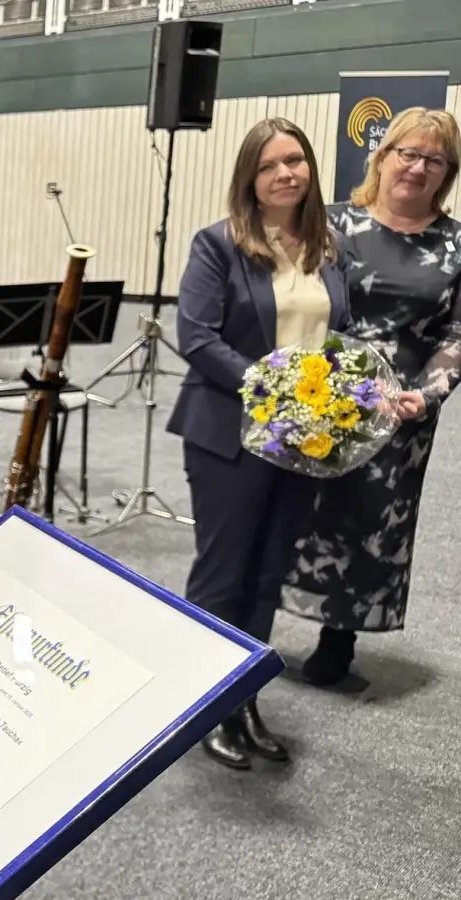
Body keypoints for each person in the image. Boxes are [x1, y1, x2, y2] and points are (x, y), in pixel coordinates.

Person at [166, 117, 354, 770]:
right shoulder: (219, 245)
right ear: (250, 176)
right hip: (231, 435)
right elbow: (196, 336)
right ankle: (204, 708)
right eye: (271, 164)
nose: (286, 173)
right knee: (224, 575)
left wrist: (346, 393)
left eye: (296, 160)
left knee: (268, 576)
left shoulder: (326, 249)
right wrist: (272, 387)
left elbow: (341, 335)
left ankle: (243, 698)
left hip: (302, 440)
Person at [285, 107, 461, 685]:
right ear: (381, 159)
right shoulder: (332, 223)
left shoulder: (457, 245)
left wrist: (429, 394)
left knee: (371, 521)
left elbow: (455, 335)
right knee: (291, 511)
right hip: (318, 392)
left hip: (401, 409)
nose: (417, 167)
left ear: (447, 173)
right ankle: (251, 621)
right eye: (406, 153)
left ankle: (340, 638)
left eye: (433, 160)